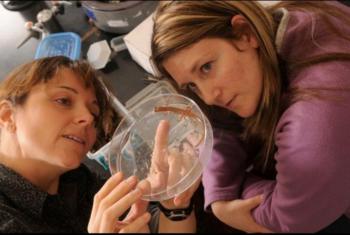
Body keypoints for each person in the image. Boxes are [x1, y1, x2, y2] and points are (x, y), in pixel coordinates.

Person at [151, 1, 350, 233]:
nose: (208, 96)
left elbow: (289, 217)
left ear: (244, 33)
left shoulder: (315, 125)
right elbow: (220, 122)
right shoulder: (290, 21)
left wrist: (223, 203)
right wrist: (219, 194)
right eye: (193, 85)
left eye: (206, 67)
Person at [0, 56, 198, 233]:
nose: (87, 117)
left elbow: (151, 224)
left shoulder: (78, 180)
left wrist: (174, 206)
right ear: (7, 115)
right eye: (63, 101)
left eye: (94, 114)